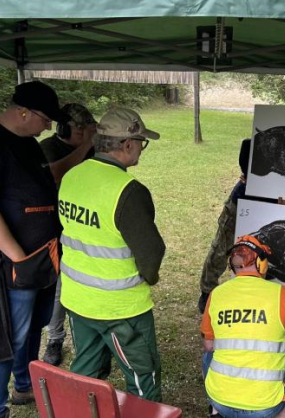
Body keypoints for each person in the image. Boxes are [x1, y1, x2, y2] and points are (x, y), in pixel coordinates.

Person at [0, 80, 70, 418]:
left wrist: (86, 147)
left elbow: (47, 178)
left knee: (32, 329)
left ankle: (23, 386)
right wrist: (18, 258)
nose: (49, 126)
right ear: (23, 111)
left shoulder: (28, 142)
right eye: (45, 118)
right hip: (15, 262)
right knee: (6, 340)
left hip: (44, 257)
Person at [58, 106, 166, 401]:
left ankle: (80, 408)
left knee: (86, 371)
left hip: (78, 298)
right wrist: (149, 276)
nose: (141, 150)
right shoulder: (129, 191)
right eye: (141, 143)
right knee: (142, 373)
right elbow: (151, 250)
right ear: (127, 144)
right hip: (121, 308)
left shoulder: (71, 176)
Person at [201, 235, 285, 418]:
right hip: (264, 409)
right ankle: (281, 415)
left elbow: (208, 346)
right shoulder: (282, 294)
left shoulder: (216, 294)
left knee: (209, 355)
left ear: (233, 266)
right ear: (262, 264)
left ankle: (215, 411)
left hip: (220, 401)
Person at [38, 103, 97, 367]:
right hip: (56, 226)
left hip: (85, 224)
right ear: (64, 128)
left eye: (87, 130)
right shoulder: (48, 148)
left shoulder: (90, 149)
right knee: (58, 287)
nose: (85, 134)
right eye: (80, 129)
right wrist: (86, 147)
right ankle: (55, 338)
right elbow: (55, 173)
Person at [197, 138, 251, 313]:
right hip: (239, 203)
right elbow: (246, 146)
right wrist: (249, 175)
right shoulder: (252, 144)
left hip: (265, 205)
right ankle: (207, 292)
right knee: (221, 249)